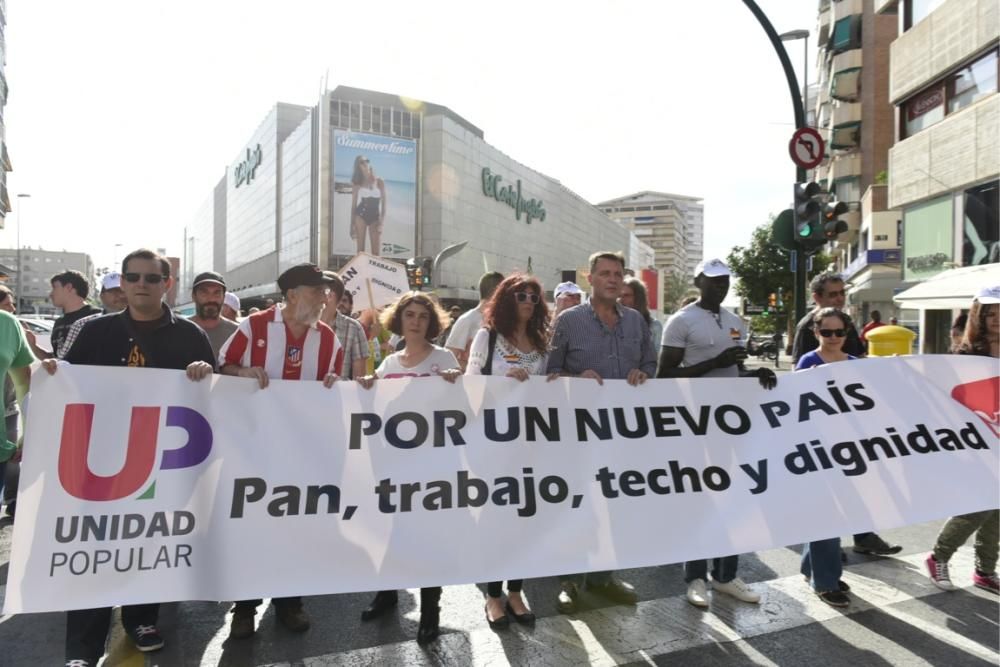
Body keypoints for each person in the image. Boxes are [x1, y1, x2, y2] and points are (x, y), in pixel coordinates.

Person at [42, 248, 215, 667]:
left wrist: (204, 374)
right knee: (93, 549)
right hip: (99, 460)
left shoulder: (191, 336)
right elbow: (69, 388)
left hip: (163, 465)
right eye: (132, 277)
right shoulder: (93, 331)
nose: (141, 284)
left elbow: (214, 399)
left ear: (166, 285)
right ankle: (82, 648)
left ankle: (142, 619)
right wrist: (51, 373)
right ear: (121, 282)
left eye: (151, 278)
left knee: (150, 541)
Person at [218, 263, 343, 639]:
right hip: (253, 448)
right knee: (252, 527)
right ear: (292, 295)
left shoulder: (328, 339)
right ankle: (244, 607)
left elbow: (333, 390)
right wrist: (241, 373)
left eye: (326, 291)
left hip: (301, 453)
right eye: (317, 290)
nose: (325, 298)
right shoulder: (253, 327)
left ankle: (290, 603)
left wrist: (336, 385)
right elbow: (222, 366)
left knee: (295, 528)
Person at [657, 258, 775, 609]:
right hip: (694, 424)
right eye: (713, 281)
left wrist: (756, 373)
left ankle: (725, 576)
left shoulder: (736, 321)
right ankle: (694, 577)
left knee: (732, 499)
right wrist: (715, 361)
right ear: (698, 281)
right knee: (699, 501)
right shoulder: (680, 322)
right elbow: (665, 376)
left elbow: (734, 369)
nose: (720, 286)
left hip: (731, 424)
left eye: (725, 281)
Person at [547, 251, 654, 614]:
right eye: (605, 273)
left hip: (623, 434)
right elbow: (550, 374)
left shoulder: (637, 321)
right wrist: (575, 380)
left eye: (618, 274)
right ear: (589, 278)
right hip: (578, 434)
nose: (613, 279)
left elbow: (651, 363)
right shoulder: (568, 322)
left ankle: (603, 578)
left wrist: (645, 375)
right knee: (575, 506)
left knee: (613, 505)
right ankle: (568, 582)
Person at [356, 291, 461, 645]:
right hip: (395, 462)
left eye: (422, 316)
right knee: (392, 531)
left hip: (433, 465)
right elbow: (381, 410)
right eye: (410, 315)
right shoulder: (389, 363)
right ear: (398, 319)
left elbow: (464, 410)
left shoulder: (444, 358)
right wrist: (370, 386)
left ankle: (431, 610)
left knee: (429, 537)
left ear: (431, 323)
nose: (416, 321)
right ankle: (387, 595)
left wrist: (455, 384)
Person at [791, 272, 899, 558]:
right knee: (826, 492)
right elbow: (800, 381)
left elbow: (859, 366)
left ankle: (860, 536)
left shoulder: (846, 325)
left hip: (850, 426)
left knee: (856, 484)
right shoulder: (808, 330)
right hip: (823, 428)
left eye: (841, 293)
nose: (839, 298)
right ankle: (824, 548)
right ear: (817, 298)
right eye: (833, 294)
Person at [465, 274, 550, 629]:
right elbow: (469, 389)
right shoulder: (488, 337)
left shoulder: (541, 342)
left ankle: (517, 591)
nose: (529, 300)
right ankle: (493, 595)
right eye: (521, 295)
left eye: (534, 296)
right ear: (506, 300)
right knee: (495, 521)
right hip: (491, 444)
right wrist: (501, 386)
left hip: (529, 445)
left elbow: (545, 395)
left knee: (524, 521)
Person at [925, 286, 999, 594]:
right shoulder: (967, 354)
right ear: (978, 318)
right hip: (976, 440)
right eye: (990, 314)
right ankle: (938, 556)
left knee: (997, 508)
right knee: (978, 505)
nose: (996, 320)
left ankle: (984, 570)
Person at [795, 307, 859, 607]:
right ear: (816, 332)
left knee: (835, 514)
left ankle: (815, 568)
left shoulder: (858, 364)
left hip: (849, 450)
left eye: (839, 332)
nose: (833, 338)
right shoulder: (809, 362)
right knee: (828, 515)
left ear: (847, 333)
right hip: (817, 448)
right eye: (826, 332)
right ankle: (825, 580)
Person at [58, 272, 128, 360]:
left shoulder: (144, 324)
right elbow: (63, 362)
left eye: (124, 291)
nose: (121, 295)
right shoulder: (81, 325)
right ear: (102, 296)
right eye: (114, 291)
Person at [445, 271, 504, 369]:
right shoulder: (467, 320)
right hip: (472, 383)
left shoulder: (503, 321)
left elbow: (509, 356)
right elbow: (447, 360)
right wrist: (477, 368)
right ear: (497, 292)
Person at [319, 271, 368, 379]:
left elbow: (359, 380)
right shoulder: (304, 325)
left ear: (329, 296)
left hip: (339, 395)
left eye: (317, 291)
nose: (311, 295)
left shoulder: (354, 328)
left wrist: (338, 382)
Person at [47, 269, 101, 358]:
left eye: (54, 287)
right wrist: (32, 344)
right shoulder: (58, 322)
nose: (51, 294)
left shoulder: (97, 317)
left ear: (69, 287)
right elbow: (58, 360)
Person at [188, 271, 239, 358]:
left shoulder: (237, 332)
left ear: (224, 297)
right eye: (204, 293)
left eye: (217, 293)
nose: (211, 299)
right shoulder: (179, 331)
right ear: (193, 296)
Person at [351, 155, 387, 256]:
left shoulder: (380, 182)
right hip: (360, 215)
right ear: (358, 166)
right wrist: (351, 226)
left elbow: (384, 205)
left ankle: (374, 272)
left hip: (375, 216)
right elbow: (353, 206)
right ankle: (361, 271)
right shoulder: (357, 183)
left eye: (367, 160)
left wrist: (382, 223)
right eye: (362, 162)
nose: (365, 163)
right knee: (361, 252)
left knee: (376, 253)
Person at [620, 276, 662, 357]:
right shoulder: (611, 322)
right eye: (619, 296)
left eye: (626, 295)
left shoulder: (654, 326)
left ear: (638, 297)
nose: (621, 300)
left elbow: (652, 358)